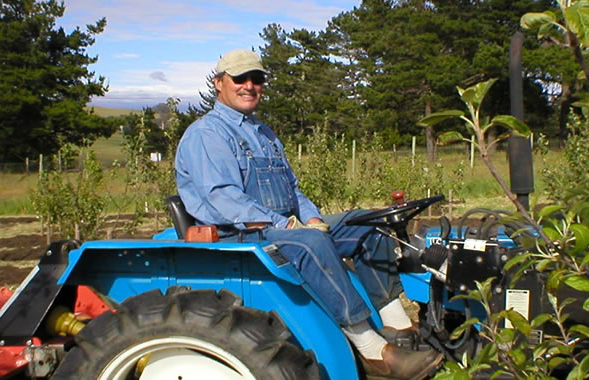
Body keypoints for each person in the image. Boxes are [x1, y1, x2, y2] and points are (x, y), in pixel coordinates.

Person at [174, 49, 444, 379]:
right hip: (238, 232)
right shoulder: (207, 134)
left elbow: (292, 191)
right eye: (240, 78)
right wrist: (288, 223)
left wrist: (312, 217)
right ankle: (373, 352)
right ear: (219, 83)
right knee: (308, 243)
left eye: (256, 79)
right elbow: (223, 198)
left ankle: (399, 328)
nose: (249, 85)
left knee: (369, 225)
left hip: (284, 225)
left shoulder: (264, 134)